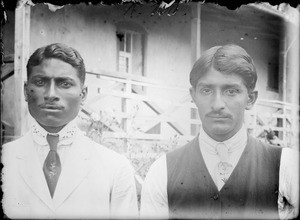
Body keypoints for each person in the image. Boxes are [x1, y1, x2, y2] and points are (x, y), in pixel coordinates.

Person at [140, 44, 299, 219]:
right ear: (194, 96)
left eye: (231, 91)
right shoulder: (162, 171)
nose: (217, 104)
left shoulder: (287, 166)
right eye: (206, 90)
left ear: (250, 99)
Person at [2, 43, 138, 219]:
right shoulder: (5, 159)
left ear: (83, 95)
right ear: (26, 91)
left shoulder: (116, 168)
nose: (51, 94)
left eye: (64, 83)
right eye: (41, 82)